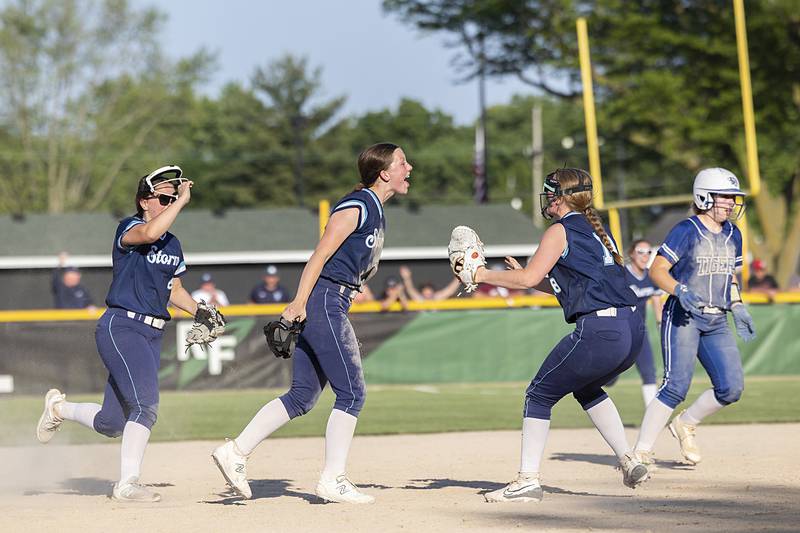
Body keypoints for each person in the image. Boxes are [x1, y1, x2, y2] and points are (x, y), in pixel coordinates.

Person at [212, 142, 412, 504]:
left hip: (333, 299)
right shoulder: (359, 204)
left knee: (303, 396)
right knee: (352, 393)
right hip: (324, 301)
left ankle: (235, 453)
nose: (408, 167)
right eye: (401, 162)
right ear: (384, 172)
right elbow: (319, 256)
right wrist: (300, 302)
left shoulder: (375, 209)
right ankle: (333, 479)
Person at [465, 168, 648, 503]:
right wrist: (525, 276)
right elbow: (560, 287)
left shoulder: (560, 230)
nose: (547, 199)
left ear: (559, 197)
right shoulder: (597, 230)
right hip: (632, 329)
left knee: (539, 394)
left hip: (602, 330)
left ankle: (528, 480)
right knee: (587, 388)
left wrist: (479, 273)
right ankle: (629, 459)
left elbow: (526, 280)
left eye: (550, 193)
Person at [35, 165, 206, 502]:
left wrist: (201, 311)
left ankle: (58, 409)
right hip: (122, 326)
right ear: (145, 201)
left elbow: (174, 290)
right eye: (164, 197)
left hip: (153, 333)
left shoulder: (174, 243)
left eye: (173, 197)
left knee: (111, 422)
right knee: (146, 406)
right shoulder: (130, 228)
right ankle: (127, 484)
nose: (170, 201)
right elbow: (148, 235)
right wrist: (182, 202)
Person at [632, 167, 756, 468]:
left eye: (732, 197)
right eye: (724, 197)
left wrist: (737, 305)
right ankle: (639, 452)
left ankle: (685, 424)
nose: (730, 203)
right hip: (684, 315)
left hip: (716, 320)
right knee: (675, 385)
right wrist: (679, 290)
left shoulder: (732, 234)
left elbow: (729, 277)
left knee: (731, 388)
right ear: (704, 197)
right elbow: (657, 270)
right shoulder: (686, 230)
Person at [606, 240, 663, 406]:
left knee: (649, 372)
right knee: (609, 376)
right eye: (640, 252)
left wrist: (660, 325)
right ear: (631, 254)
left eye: (648, 252)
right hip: (620, 330)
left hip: (639, 330)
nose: (645, 256)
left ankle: (653, 416)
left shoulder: (651, 275)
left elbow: (657, 303)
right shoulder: (622, 274)